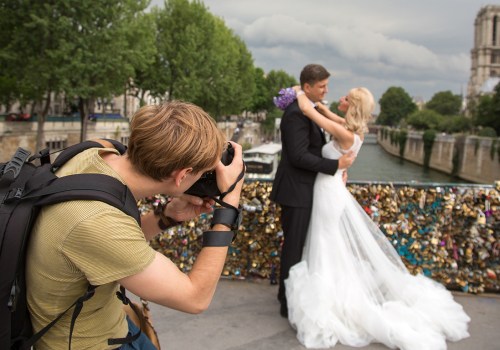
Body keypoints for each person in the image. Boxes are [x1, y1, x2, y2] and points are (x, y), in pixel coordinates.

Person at [26, 100, 245, 349]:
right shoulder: (95, 220)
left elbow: (107, 246)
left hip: (107, 320)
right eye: (202, 172)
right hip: (90, 343)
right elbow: (195, 298)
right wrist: (229, 206)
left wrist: (166, 216)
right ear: (183, 176)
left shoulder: (94, 153)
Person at [285, 86, 471, 349]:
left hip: (328, 192)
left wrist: (297, 91)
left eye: (346, 98)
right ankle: (332, 289)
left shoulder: (344, 133)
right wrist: (321, 106)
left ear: (352, 106)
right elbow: (324, 112)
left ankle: (331, 295)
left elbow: (307, 110)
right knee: (329, 242)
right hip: (333, 189)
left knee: (326, 241)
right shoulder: (354, 130)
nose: (340, 98)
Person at [270, 64, 355, 318]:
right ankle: (287, 302)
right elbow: (298, 156)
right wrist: (335, 165)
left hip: (303, 189)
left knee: (297, 247)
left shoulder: (308, 109)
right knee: (293, 248)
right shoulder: (296, 114)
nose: (326, 90)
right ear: (307, 87)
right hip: (296, 191)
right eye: (322, 86)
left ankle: (289, 295)